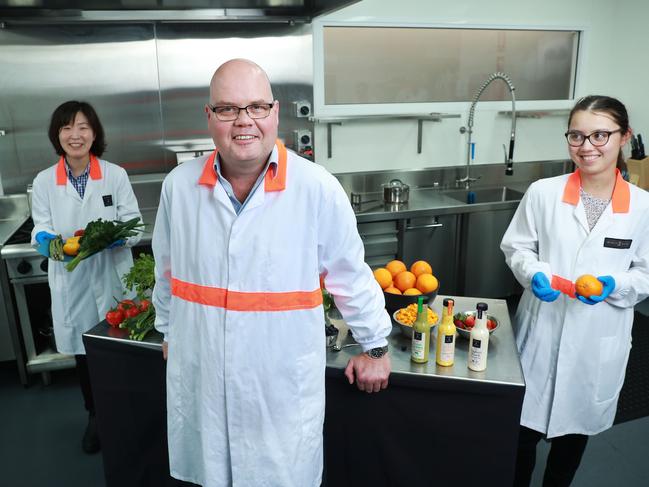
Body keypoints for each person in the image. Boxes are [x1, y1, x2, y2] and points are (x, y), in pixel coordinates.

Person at [151, 58, 392, 487]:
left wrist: (375, 346)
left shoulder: (316, 187)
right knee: (212, 475)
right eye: (227, 109)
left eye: (256, 107)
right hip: (203, 374)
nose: (243, 121)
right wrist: (169, 329)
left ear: (275, 113)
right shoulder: (178, 187)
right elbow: (167, 270)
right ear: (209, 117)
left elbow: (349, 273)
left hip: (279, 385)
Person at [501, 95, 649, 486]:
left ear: (624, 137)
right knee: (520, 438)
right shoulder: (543, 193)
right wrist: (532, 271)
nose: (587, 147)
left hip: (596, 340)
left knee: (571, 441)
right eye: (577, 136)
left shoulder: (642, 207)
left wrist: (614, 285)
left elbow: (646, 273)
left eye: (600, 135)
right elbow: (517, 247)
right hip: (541, 329)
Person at [31, 101, 142, 453]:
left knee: (120, 351)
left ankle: (128, 416)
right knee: (84, 355)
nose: (75, 135)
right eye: (66, 127)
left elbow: (135, 225)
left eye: (82, 127)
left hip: (112, 278)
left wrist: (115, 237)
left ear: (95, 133)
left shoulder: (115, 175)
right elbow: (40, 229)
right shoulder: (45, 181)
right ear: (57, 135)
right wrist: (49, 243)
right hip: (72, 281)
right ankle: (95, 416)